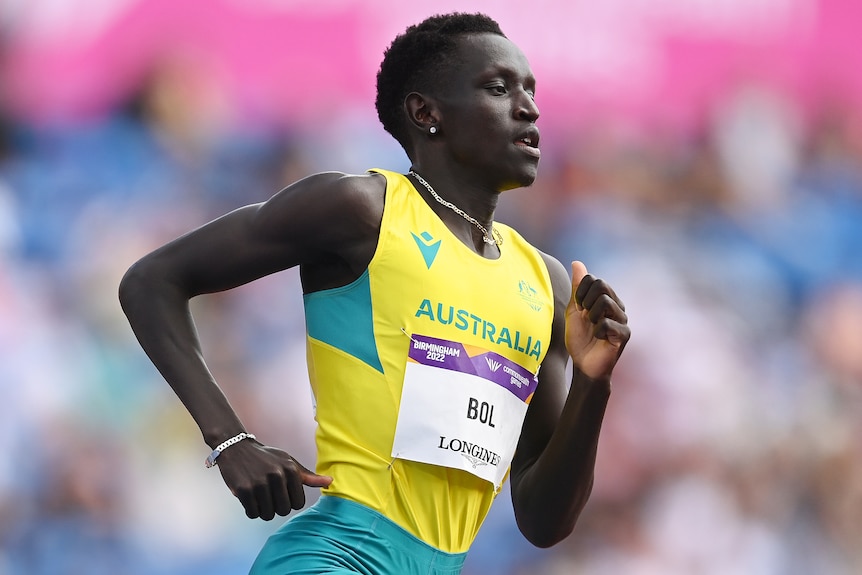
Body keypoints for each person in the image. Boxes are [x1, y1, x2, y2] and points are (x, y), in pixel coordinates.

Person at [119, 12, 630, 575]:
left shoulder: (547, 283)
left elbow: (543, 520)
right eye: (497, 87)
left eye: (531, 90)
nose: (528, 108)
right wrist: (230, 438)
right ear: (425, 112)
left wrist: (592, 383)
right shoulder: (363, 211)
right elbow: (151, 281)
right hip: (336, 556)